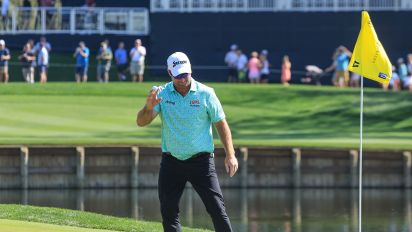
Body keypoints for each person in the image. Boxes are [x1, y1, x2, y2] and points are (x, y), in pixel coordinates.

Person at [136, 52, 238, 232]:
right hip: (171, 161)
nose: (183, 79)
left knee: (217, 209)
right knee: (169, 213)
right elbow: (141, 122)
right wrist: (148, 107)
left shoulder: (206, 94)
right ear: (169, 73)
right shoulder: (161, 93)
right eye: (178, 75)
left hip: (202, 162)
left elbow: (221, 125)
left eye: (186, 74)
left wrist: (231, 155)